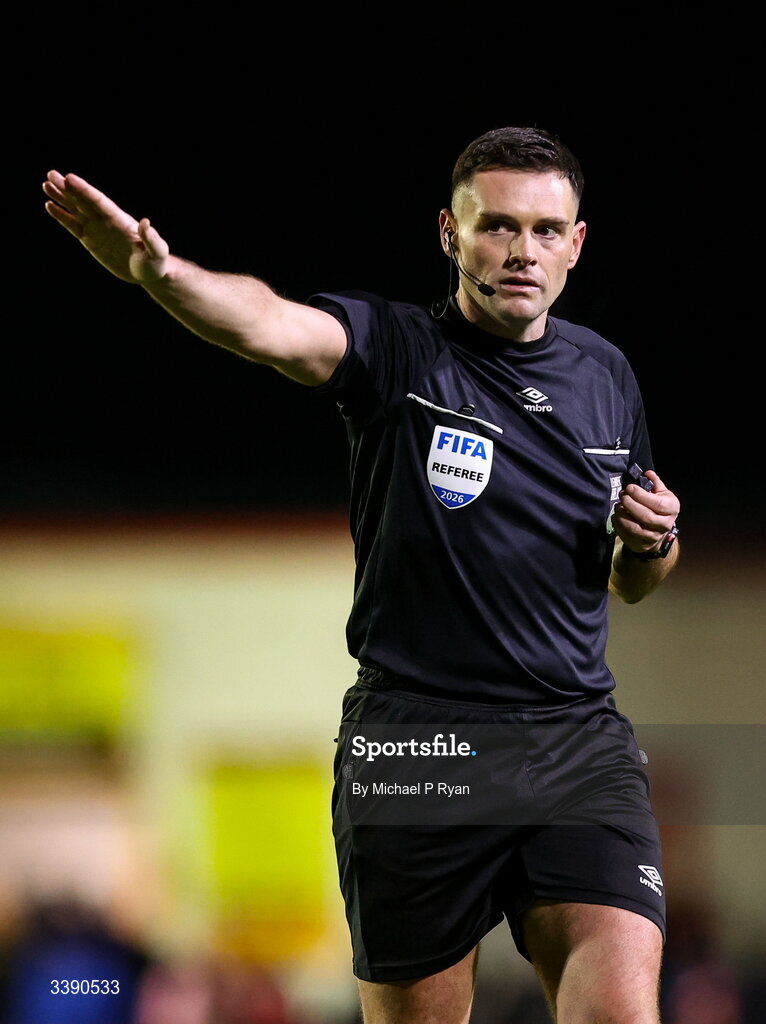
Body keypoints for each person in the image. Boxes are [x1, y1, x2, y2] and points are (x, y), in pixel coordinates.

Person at [43, 126, 681, 1024]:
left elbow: (633, 579)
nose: (521, 250)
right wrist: (162, 274)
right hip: (416, 743)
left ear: (576, 244)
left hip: (574, 740)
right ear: (450, 235)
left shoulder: (606, 375)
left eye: (545, 230)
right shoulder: (396, 350)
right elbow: (269, 323)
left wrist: (653, 543)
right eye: (496, 226)